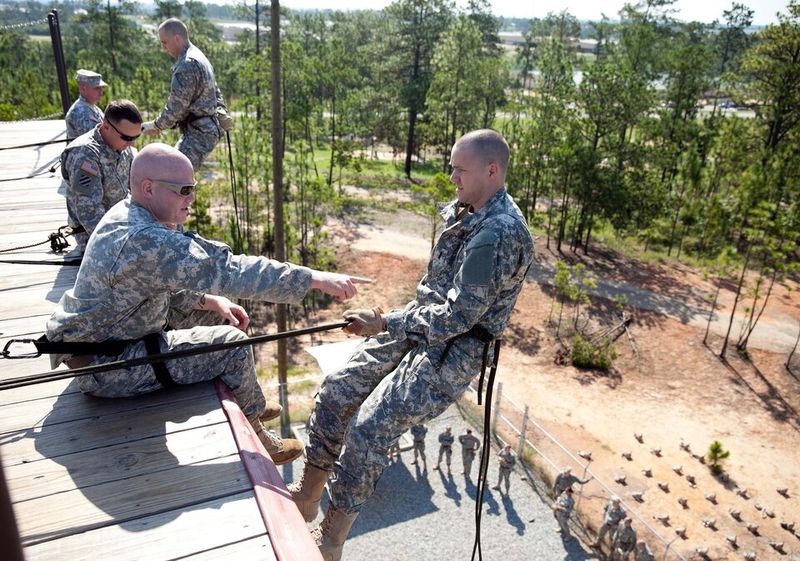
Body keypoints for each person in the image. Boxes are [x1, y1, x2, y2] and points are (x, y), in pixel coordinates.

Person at [288, 129, 534, 561]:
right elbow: (433, 295)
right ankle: (306, 498)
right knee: (339, 389)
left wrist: (385, 321)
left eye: (460, 169)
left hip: (453, 350)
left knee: (368, 430)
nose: (451, 176)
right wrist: (390, 322)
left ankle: (329, 542)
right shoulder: (466, 211)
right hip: (419, 326)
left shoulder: (500, 233)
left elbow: (458, 316)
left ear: (491, 170)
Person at [46, 143, 369, 467]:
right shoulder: (147, 239)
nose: (191, 198)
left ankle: (249, 400)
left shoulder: (127, 214)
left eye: (193, 188)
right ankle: (258, 433)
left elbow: (150, 285)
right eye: (183, 190)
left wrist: (208, 300)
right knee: (233, 344)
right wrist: (315, 279)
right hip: (109, 365)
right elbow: (232, 269)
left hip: (110, 344)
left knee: (222, 318)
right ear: (148, 188)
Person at [142, 18, 230, 170]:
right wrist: (221, 111)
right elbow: (215, 91)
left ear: (177, 38)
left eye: (165, 42)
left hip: (200, 132)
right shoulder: (199, 56)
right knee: (178, 177)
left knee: (174, 174)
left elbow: (176, 107)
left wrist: (157, 125)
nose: (163, 47)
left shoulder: (187, 64)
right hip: (204, 129)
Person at [61, 99, 142, 252]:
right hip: (96, 233)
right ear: (106, 126)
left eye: (135, 138)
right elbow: (88, 211)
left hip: (123, 222)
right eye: (127, 137)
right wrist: (117, 244)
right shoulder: (85, 155)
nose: (131, 144)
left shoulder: (123, 147)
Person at [65, 69, 106, 139]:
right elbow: (96, 139)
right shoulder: (79, 111)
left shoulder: (93, 107)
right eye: (97, 88)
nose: (101, 92)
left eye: (101, 88)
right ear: (84, 88)